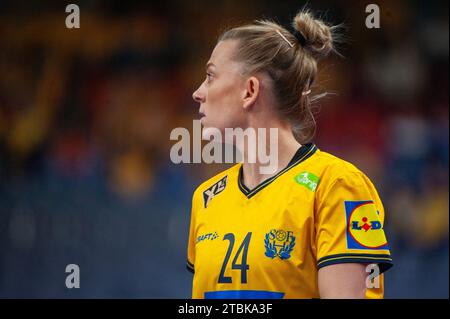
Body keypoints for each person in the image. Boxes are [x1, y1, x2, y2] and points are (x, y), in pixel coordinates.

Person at [187, 8, 393, 299]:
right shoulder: (206, 198)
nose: (198, 92)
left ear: (250, 90)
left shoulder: (337, 186)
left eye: (210, 76)